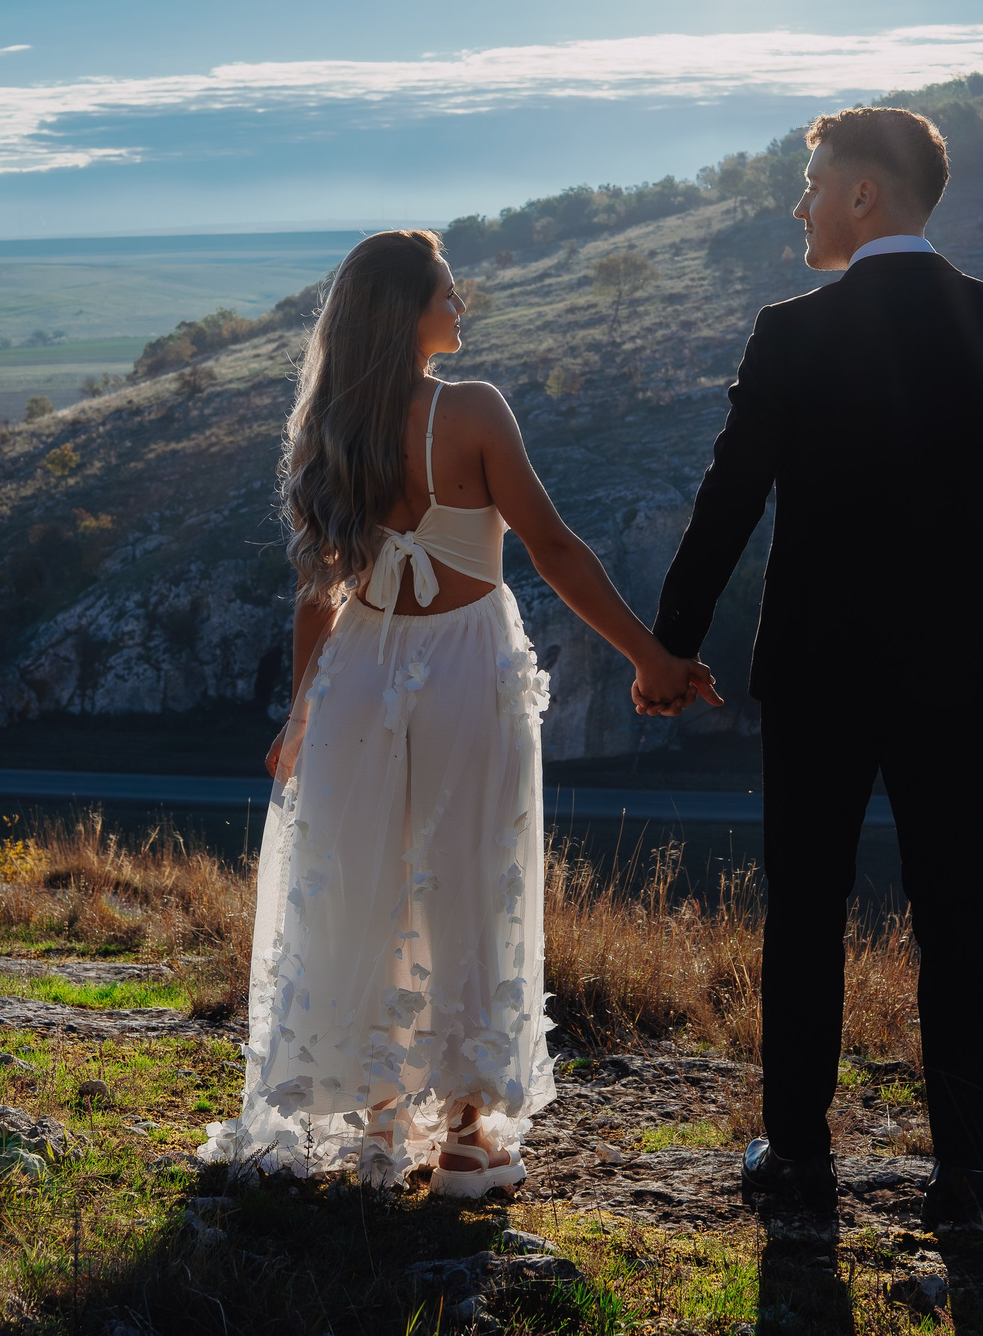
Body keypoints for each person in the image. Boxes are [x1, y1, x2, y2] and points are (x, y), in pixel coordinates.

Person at [200, 228, 710, 1194]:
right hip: (466, 666)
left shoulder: (328, 425)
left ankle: (384, 1122)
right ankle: (469, 1133)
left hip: (359, 668)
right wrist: (650, 656)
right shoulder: (471, 411)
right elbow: (552, 547)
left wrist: (300, 709)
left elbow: (319, 590)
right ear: (407, 310)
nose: (461, 304)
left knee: (363, 879)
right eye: (446, 290)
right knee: (471, 872)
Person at [649, 107, 983, 1234]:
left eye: (811, 182)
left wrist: (671, 642)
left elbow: (726, 500)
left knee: (803, 912)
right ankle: (964, 1172)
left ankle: (796, 1157)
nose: (798, 205)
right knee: (955, 913)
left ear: (862, 196)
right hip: (955, 675)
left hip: (816, 672)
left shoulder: (789, 333)